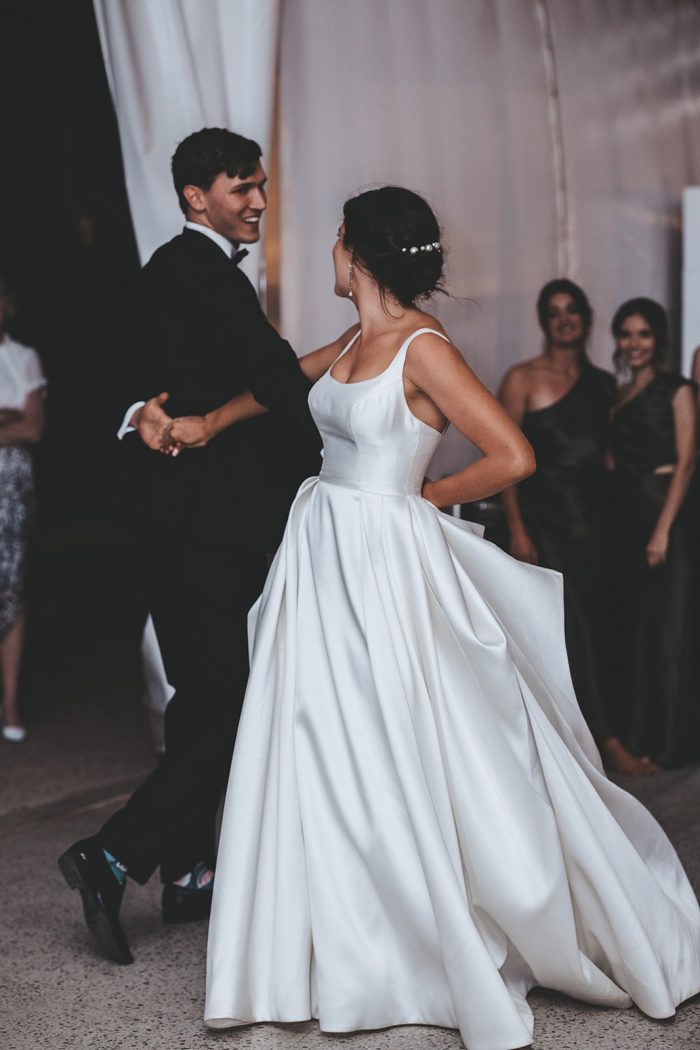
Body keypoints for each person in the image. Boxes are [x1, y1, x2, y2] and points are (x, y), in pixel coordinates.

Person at [175, 189, 700, 1050]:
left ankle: (419, 939)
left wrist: (422, 496)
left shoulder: (423, 347)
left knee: (402, 737)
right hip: (320, 555)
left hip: (383, 560)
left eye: (337, 239)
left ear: (360, 253)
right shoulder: (353, 339)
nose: (330, 252)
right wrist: (207, 421)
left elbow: (512, 454)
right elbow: (280, 388)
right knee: (319, 735)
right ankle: (332, 932)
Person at [58, 128, 320, 964]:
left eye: (262, 185)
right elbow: (275, 382)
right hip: (210, 530)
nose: (259, 201)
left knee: (203, 699)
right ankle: (111, 854)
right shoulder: (201, 271)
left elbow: (114, 367)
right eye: (242, 187)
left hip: (176, 528)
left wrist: (142, 410)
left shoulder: (168, 273)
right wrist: (354, 350)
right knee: (230, 700)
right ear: (194, 197)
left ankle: (190, 876)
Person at [498, 279, 655, 776]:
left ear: (586, 318)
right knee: (573, 634)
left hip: (600, 525)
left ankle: (602, 733)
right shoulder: (521, 378)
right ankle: (603, 744)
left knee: (605, 628)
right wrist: (518, 531)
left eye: (572, 311)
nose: (564, 319)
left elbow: (617, 456)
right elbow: (504, 462)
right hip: (546, 527)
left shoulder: (605, 384)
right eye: (553, 311)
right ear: (544, 321)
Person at [609, 298, 697, 767]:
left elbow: (687, 461)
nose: (634, 343)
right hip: (627, 520)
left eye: (643, 334)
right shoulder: (619, 395)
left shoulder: (678, 389)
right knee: (638, 632)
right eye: (626, 334)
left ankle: (672, 745)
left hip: (667, 522)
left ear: (658, 339)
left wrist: (662, 530)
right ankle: (643, 737)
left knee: (670, 633)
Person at [0, 276, 46, 743]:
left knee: (9, 588)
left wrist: (15, 419)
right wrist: (7, 415)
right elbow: (20, 420)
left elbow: (33, 429)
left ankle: (9, 702)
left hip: (11, 489)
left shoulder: (22, 358)